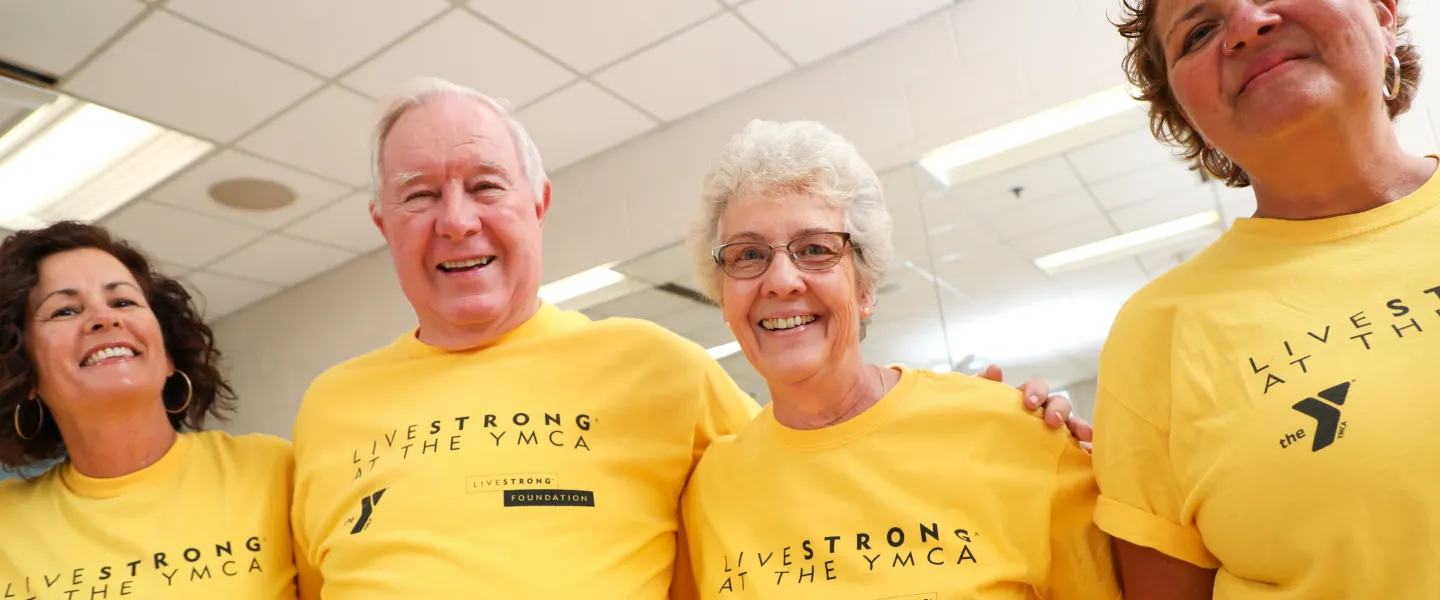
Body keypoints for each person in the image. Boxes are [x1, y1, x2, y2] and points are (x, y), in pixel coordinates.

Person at [288, 77, 1085, 599]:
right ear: (381, 223)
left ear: (537, 202)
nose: (457, 218)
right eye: (420, 194)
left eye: (485, 185)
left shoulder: (659, 370)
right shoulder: (328, 410)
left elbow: (830, 450)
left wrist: (988, 423)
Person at [676, 119, 1121, 599]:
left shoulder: (1017, 435)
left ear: (865, 288)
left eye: (814, 249)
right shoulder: (708, 492)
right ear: (724, 299)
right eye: (747, 255)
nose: (782, 279)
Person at [1091, 0, 1437, 598]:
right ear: (1185, 113)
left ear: (1383, 15)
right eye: (1199, 31)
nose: (1248, 26)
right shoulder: (1156, 333)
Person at [0, 222, 296, 599]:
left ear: (168, 355)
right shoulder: (5, 525)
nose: (105, 318)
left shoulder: (272, 469)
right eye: (65, 310)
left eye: (123, 302)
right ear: (24, 372)